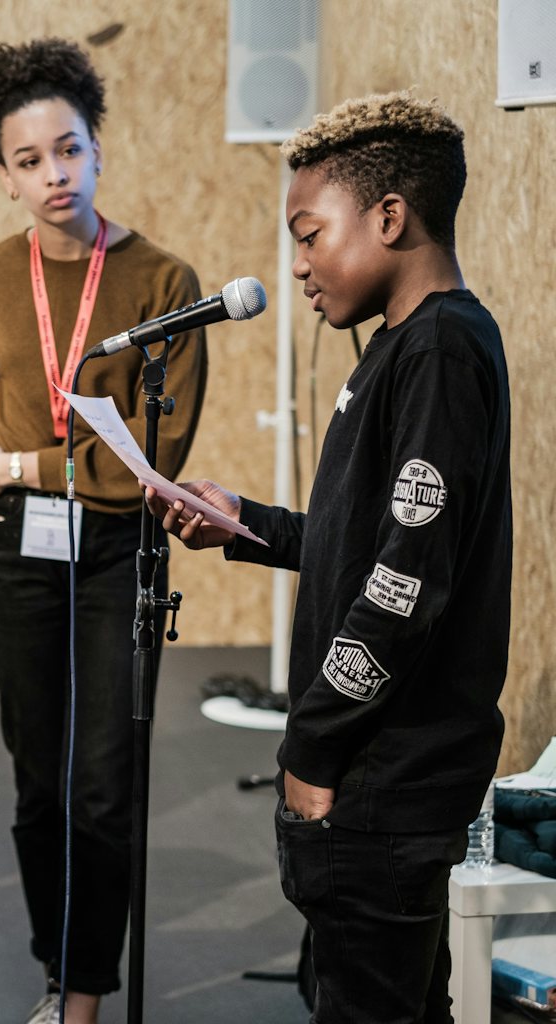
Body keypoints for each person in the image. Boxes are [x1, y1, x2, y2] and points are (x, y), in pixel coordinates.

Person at [147, 92, 510, 1024]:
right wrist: (248, 525)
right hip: (376, 773)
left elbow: (402, 589)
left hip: (387, 779)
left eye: (310, 235)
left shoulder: (437, 352)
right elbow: (363, 545)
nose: (298, 266)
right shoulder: (399, 347)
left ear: (390, 217)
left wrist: (314, 743)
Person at [0, 38, 209, 1023]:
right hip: (17, 548)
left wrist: (16, 460)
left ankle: (87, 994)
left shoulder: (165, 282)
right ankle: (59, 967)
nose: (55, 174)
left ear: (97, 149)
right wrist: (29, 441)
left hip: (114, 551)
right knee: (37, 782)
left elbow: (153, 458)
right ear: (3, 176)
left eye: (70, 149)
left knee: (102, 783)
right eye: (29, 160)